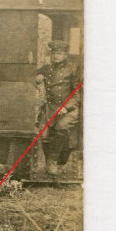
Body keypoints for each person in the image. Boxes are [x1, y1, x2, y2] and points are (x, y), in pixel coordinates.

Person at [37, 40, 81, 176]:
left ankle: (53, 161)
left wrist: (66, 108)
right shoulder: (47, 68)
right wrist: (36, 77)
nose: (56, 56)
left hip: (69, 108)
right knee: (42, 133)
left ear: (65, 54)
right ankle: (48, 162)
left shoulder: (73, 69)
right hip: (50, 107)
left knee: (62, 126)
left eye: (59, 53)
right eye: (54, 53)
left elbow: (77, 93)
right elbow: (30, 74)